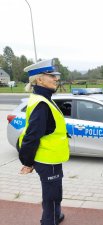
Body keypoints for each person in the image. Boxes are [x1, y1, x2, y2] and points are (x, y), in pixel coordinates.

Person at [18, 59, 70, 225]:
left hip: (52, 158)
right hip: (47, 160)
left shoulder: (44, 98)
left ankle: (56, 215)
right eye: (51, 75)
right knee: (52, 196)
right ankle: (49, 220)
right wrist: (27, 162)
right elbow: (31, 136)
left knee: (55, 192)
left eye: (56, 75)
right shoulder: (42, 104)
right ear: (39, 79)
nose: (56, 78)